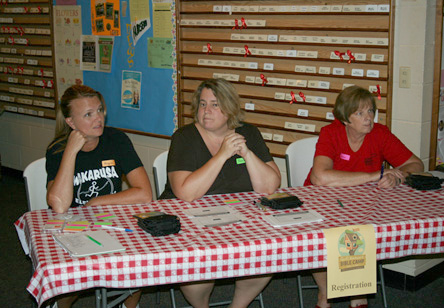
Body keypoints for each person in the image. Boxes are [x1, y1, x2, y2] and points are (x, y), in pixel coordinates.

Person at [161, 78, 281, 308]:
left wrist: (246, 153)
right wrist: (222, 155)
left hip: (239, 218)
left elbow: (269, 187)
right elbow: (185, 193)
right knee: (197, 273)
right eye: (202, 104)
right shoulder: (184, 137)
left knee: (265, 256)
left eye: (215, 105)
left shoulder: (249, 133)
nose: (206, 111)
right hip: (190, 219)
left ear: (230, 108)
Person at [305, 85, 424, 308]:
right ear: (344, 118)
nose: (368, 118)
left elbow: (416, 164)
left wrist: (399, 176)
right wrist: (374, 175)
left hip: (363, 204)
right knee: (321, 238)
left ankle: (357, 296)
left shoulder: (380, 133)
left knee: (361, 232)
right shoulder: (330, 133)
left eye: (370, 111)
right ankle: (325, 292)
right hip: (324, 200)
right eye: (360, 113)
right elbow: (320, 178)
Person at [46, 85, 152, 308]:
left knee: (139, 261)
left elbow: (144, 194)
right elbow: (58, 205)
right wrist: (70, 152)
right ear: (70, 122)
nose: (98, 118)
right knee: (71, 280)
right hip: (72, 227)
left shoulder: (117, 140)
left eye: (100, 110)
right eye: (88, 114)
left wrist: (96, 202)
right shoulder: (57, 150)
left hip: (111, 221)